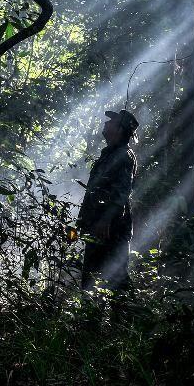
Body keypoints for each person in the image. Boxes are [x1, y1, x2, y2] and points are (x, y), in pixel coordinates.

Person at [77, 109, 139, 290]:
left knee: (117, 280)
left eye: (112, 121)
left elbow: (122, 192)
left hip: (112, 229)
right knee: (90, 278)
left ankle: (124, 317)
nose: (106, 123)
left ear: (120, 129)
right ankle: (89, 317)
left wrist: (106, 220)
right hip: (97, 226)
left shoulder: (123, 155)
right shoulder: (110, 154)